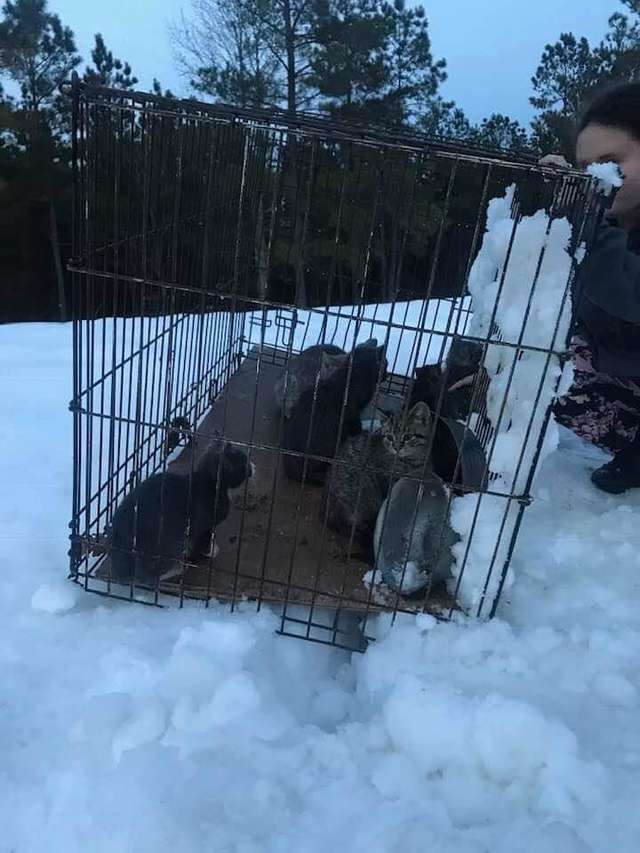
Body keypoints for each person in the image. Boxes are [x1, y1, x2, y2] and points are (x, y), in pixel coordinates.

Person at [541, 82, 640, 494]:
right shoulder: (617, 227)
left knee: (556, 374)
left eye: (612, 161)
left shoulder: (604, 236)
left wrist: (585, 221)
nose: (597, 177)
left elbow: (628, 289)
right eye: (587, 168)